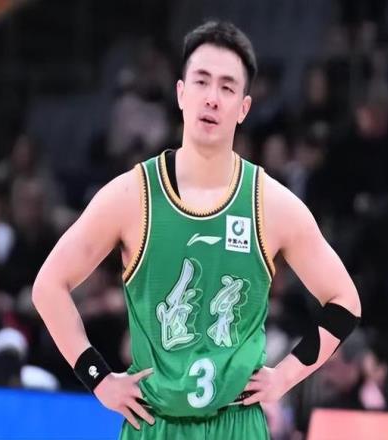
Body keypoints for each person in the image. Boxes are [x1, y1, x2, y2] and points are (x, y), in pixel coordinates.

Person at [33, 21, 361, 440]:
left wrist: (285, 376)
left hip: (237, 424)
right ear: (180, 93)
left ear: (243, 108)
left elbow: (345, 302)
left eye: (227, 87)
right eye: (202, 81)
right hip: (155, 423)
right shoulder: (131, 195)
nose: (212, 97)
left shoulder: (272, 204)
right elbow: (48, 286)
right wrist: (99, 379)